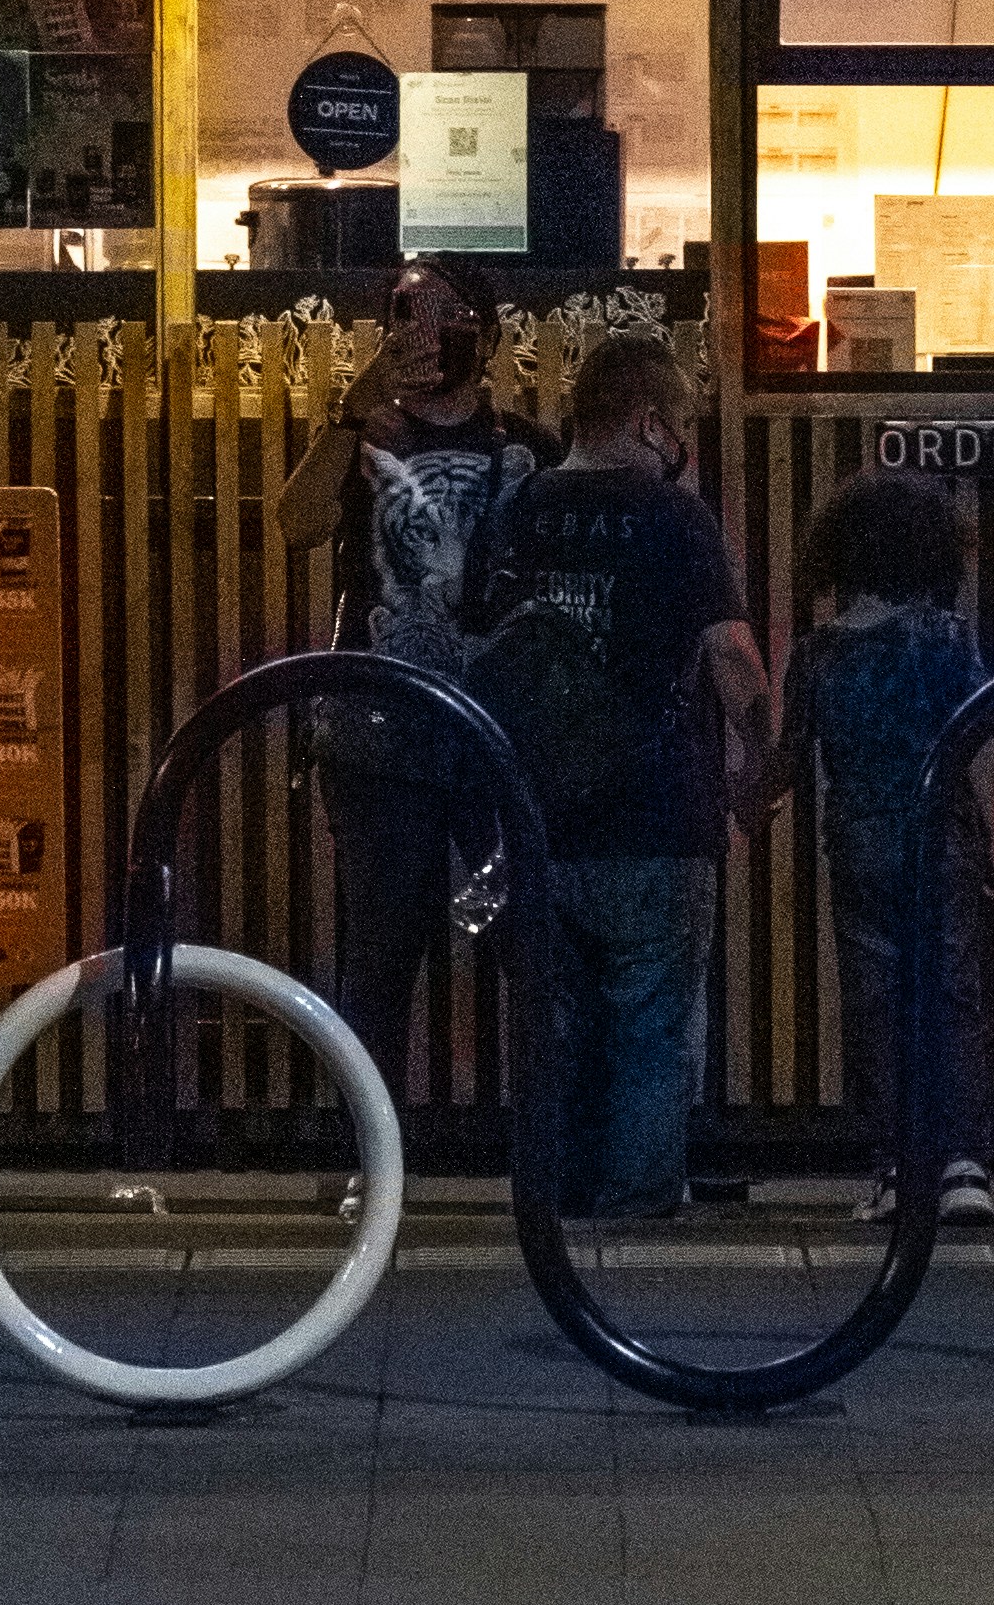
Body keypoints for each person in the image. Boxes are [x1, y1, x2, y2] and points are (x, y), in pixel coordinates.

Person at [471, 324, 769, 1222]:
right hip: (656, 814)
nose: (681, 447)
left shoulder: (516, 512)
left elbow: (481, 651)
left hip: (532, 814)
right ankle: (639, 1204)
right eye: (679, 428)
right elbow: (734, 658)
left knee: (553, 1024)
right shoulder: (677, 516)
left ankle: (555, 1200)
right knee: (650, 1022)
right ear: (648, 423)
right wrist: (761, 761)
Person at [279, 267, 550, 1112]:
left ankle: (543, 1159)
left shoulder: (530, 450)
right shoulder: (361, 441)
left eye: (447, 319)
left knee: (525, 940)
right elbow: (295, 525)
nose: (426, 338)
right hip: (376, 735)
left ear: (490, 337)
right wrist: (348, 416)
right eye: (407, 320)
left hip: (500, 734)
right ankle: (377, 1159)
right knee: (383, 949)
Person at [773, 473, 994, 1212]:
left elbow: (791, 755)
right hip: (943, 837)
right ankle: (965, 1165)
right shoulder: (946, 638)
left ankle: (900, 1168)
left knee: (878, 1005)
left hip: (860, 844)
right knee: (953, 996)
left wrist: (747, 796)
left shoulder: (817, 653)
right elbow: (978, 743)